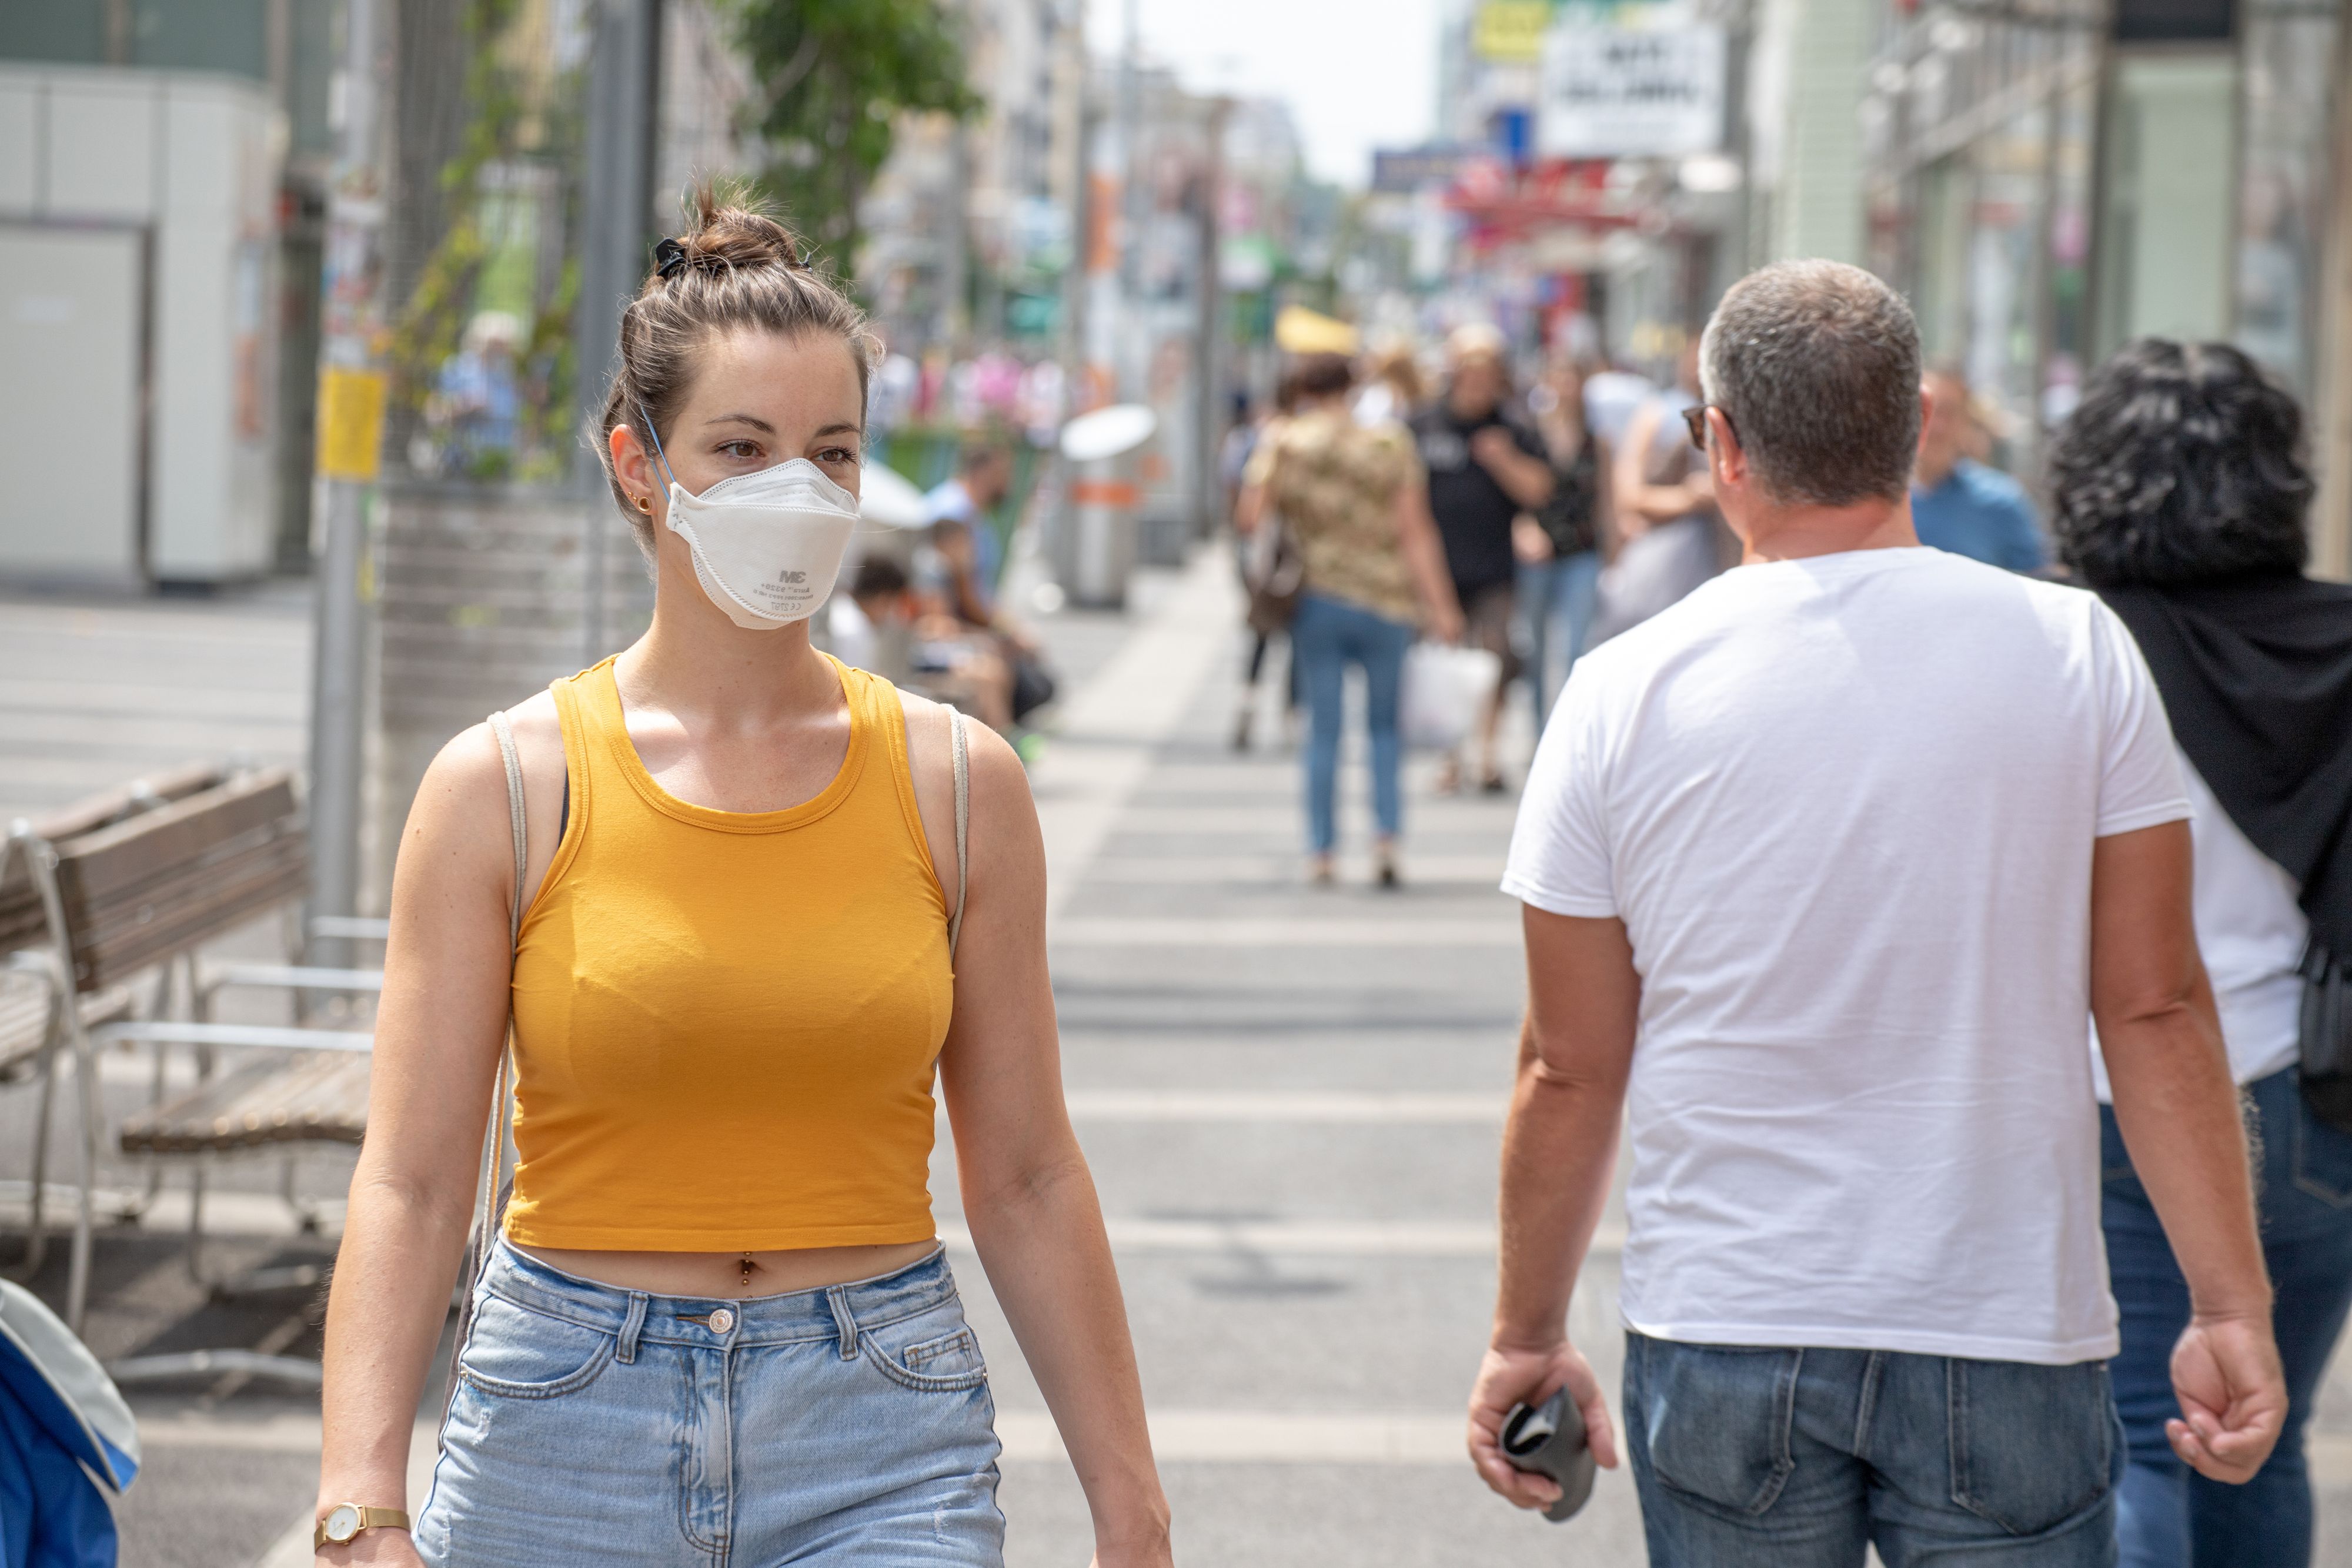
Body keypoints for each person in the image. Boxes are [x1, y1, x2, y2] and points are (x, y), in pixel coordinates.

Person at [313, 188, 1170, 1567]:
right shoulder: (506, 787)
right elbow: (411, 1181)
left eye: (832, 452)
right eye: (740, 445)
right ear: (639, 465)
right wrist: (360, 1507)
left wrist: (1131, 1505)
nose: (798, 490)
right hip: (559, 1429)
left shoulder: (959, 784)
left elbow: (1023, 1175)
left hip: (882, 1434)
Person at [1471, 260, 2286, 1567]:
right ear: (1912, 429)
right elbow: (2149, 1003)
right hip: (2006, 1322)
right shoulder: (2076, 653)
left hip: (1727, 1317)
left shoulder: (1621, 691)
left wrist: (1525, 1333)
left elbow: (1567, 1064)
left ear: (1723, 443)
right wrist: (2226, 1300)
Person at [2049, 338, 2352, 1568]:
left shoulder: (2063, 647)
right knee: (2261, 1431)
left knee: (2137, 1425)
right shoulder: (2337, 644)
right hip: (2317, 1098)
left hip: (2114, 1096)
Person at [1238, 353, 1462, 888]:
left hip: (1319, 597)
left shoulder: (1287, 441)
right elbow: (1416, 531)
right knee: (1385, 727)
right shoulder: (1389, 444)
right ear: (1353, 387)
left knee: (1325, 728)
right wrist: (1442, 606)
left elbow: (1250, 515)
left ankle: (1322, 850)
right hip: (1388, 600)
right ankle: (1386, 839)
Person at [1411, 325, 1553, 792]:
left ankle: (1488, 752)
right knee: (1446, 665)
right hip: (1436, 568)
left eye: (1486, 373)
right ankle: (1451, 756)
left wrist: (1503, 460)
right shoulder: (1424, 425)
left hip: (1493, 568)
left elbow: (1541, 491)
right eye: (1469, 372)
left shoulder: (1513, 429)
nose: (1477, 383)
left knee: (1496, 661)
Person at [1586, 340, 1719, 651]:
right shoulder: (1657, 412)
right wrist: (1689, 498)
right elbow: (1629, 495)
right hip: (1665, 557)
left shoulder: (1727, 410)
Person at [1512, 351, 1611, 728]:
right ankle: (1540, 730)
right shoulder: (1529, 432)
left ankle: (1569, 726)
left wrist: (1614, 546)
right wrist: (1522, 528)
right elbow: (1512, 499)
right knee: (1533, 648)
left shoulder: (1594, 438)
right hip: (1537, 552)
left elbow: (1606, 497)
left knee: (1575, 647)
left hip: (1582, 551)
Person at [1912, 367, 2047, 571]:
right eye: (1928, 411)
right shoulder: (1873, 500)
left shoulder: (2001, 502)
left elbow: (2036, 580)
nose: (1937, 426)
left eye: (1949, 412)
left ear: (1966, 421)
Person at [922, 440, 1016, 616]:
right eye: (1003, 474)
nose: (1009, 482)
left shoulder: (973, 512)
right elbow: (963, 591)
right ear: (984, 473)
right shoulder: (952, 510)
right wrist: (1000, 627)